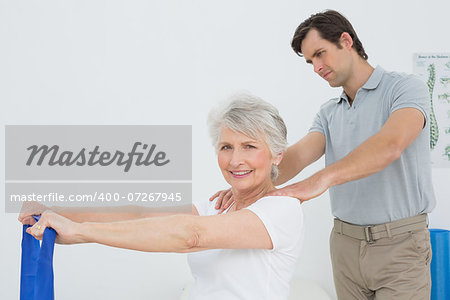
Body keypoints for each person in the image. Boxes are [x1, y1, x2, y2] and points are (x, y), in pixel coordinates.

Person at [212, 10, 435, 300]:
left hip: (401, 245)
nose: (317, 67)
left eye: (320, 54)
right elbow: (295, 158)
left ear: (346, 40)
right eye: (310, 62)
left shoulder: (405, 89)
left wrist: (322, 179)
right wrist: (245, 183)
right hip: (345, 245)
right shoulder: (330, 113)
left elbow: (390, 144)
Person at [20, 94, 304, 300]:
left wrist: (82, 231)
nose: (235, 160)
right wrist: (59, 211)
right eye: (227, 146)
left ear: (277, 155)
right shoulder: (218, 206)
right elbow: (140, 214)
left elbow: (190, 236)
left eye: (249, 146)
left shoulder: (282, 210)